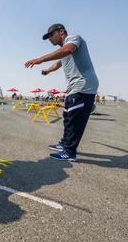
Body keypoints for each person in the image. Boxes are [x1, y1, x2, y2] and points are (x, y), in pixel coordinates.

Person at [24, 23, 99, 161]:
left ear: (61, 31)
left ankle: (70, 152)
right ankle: (64, 143)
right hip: (73, 88)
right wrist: (46, 70)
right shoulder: (63, 53)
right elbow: (57, 64)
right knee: (67, 117)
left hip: (83, 85)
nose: (50, 39)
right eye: (48, 37)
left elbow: (68, 49)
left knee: (75, 120)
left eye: (51, 35)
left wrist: (40, 59)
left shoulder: (73, 39)